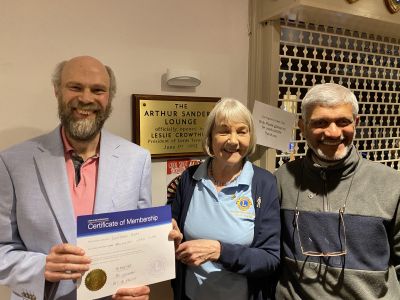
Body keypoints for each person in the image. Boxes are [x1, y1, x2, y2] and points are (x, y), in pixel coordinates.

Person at [0, 56, 152, 300]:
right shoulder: (12, 162)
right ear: (57, 91)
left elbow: (137, 243)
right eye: (75, 87)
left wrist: (137, 284)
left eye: (98, 90)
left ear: (109, 97)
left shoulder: (138, 159)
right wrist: (41, 268)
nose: (86, 98)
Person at [275, 83, 400, 299]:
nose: (333, 133)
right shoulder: (281, 180)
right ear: (302, 127)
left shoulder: (391, 184)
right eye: (320, 122)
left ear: (356, 123)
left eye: (343, 122)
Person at [169, 98, 281, 300]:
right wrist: (169, 236)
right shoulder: (189, 178)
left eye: (241, 131)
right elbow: (172, 232)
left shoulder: (264, 183)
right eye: (223, 131)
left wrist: (220, 251)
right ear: (210, 137)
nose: (233, 140)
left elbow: (270, 258)